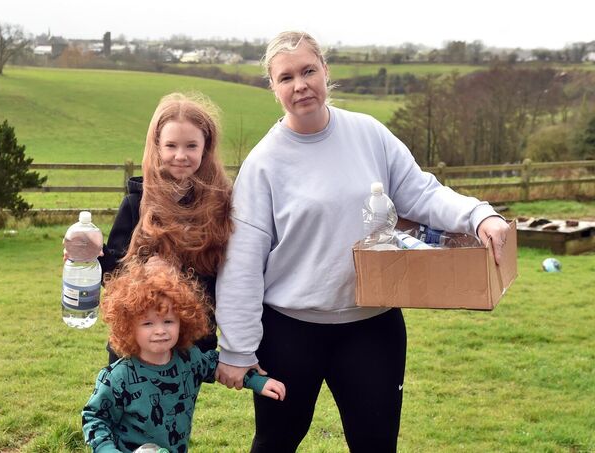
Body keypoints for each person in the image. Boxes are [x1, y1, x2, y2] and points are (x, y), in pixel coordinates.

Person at [213, 31, 511, 453]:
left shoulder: (368, 133)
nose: (300, 85)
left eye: (308, 71)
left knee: (376, 445)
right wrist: (238, 349)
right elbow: (242, 263)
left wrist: (478, 214)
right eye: (286, 77)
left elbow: (421, 193)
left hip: (372, 327)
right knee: (276, 441)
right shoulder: (264, 163)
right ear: (273, 87)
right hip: (289, 332)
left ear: (325, 71)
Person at [82, 258, 286, 453]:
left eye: (168, 321)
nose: (160, 330)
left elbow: (220, 365)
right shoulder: (118, 377)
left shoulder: (190, 360)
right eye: (148, 323)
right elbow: (95, 418)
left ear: (184, 320)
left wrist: (257, 381)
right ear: (128, 327)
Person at [97, 92, 234, 364]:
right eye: (171, 145)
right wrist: (93, 256)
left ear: (205, 148)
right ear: (157, 147)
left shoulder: (222, 206)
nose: (180, 156)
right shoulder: (136, 203)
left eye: (191, 146)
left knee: (178, 408)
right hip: (136, 344)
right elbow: (112, 274)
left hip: (191, 347)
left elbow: (228, 280)